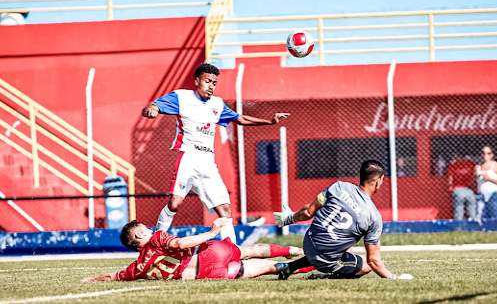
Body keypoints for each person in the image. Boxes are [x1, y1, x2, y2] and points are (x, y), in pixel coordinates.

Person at [142, 63, 289, 243]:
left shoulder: (217, 104)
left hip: (208, 163)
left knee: (225, 209)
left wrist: (269, 121)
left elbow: (239, 118)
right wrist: (153, 110)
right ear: (197, 81)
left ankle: (232, 251)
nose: (211, 86)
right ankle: (155, 243)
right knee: (174, 203)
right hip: (188, 158)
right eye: (207, 81)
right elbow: (154, 105)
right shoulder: (181, 97)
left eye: (214, 82)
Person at [273, 160, 413, 280]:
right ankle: (326, 276)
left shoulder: (338, 187)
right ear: (379, 180)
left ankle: (290, 267)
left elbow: (308, 212)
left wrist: (289, 218)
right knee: (364, 266)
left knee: (337, 244)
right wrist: (394, 277)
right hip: (324, 258)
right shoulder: (373, 216)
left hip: (309, 242)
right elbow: (373, 261)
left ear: (361, 176)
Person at [84, 218, 307, 282]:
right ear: (140, 235)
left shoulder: (140, 266)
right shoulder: (159, 237)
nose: (149, 228)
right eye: (145, 228)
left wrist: (92, 279)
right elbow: (180, 244)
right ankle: (299, 251)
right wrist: (211, 232)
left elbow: (115, 276)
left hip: (212, 274)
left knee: (270, 268)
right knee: (255, 249)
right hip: (210, 253)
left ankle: (312, 267)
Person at [475, 146, 497, 220]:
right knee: (481, 217)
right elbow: (474, 183)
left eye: (488, 153)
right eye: (483, 153)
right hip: (481, 195)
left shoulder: (496, 165)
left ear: (492, 155)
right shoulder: (478, 167)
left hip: (493, 194)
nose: (485, 155)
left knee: (496, 217)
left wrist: (489, 179)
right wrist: (475, 175)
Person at [447, 155, 476, 220]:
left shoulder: (453, 164)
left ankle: (459, 225)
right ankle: (473, 223)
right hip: (469, 189)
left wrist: (450, 187)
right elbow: (474, 177)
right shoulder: (471, 164)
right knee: (472, 209)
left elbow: (450, 178)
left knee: (459, 209)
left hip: (458, 188)